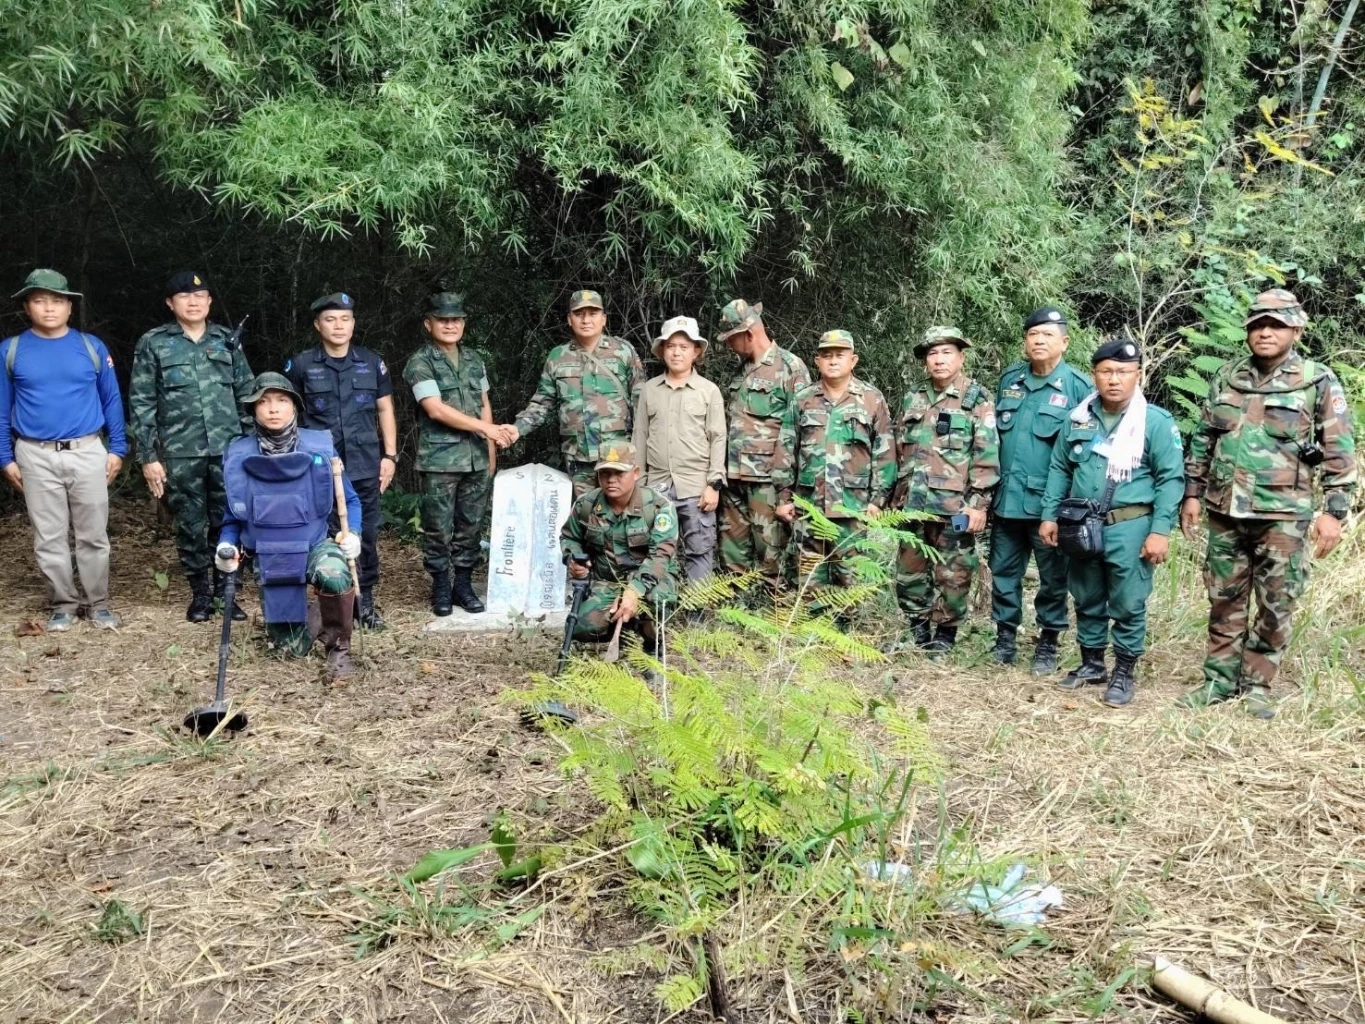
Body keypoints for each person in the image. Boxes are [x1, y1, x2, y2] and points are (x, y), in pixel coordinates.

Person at [1179, 289, 1357, 718]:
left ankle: (1257, 684)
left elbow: (1338, 450)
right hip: (1225, 511)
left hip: (1283, 516)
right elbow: (1203, 439)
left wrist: (1334, 513)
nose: (1265, 332)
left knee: (1277, 602)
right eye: (1257, 324)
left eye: (1276, 324)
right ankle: (1218, 681)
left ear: (1295, 329)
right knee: (1224, 599)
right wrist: (1191, 493)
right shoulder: (1227, 376)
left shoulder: (1316, 380)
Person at [1039, 336, 1185, 707]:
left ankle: (1123, 670)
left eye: (1123, 372)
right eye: (1106, 372)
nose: (1114, 379)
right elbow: (1059, 467)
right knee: (1086, 595)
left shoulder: (1153, 422)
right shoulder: (1078, 417)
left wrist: (1160, 531)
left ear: (1138, 375)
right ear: (1095, 375)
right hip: (1081, 522)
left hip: (1130, 525)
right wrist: (1049, 515)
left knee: (1127, 601)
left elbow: (1171, 479)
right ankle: (1091, 663)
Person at [0, 269, 127, 631]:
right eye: (39, 301)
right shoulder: (11, 351)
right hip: (34, 453)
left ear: (70, 307)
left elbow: (111, 398)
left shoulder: (91, 347)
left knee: (93, 532)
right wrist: (4, 457)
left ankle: (98, 603)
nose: (49, 308)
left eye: (57, 301)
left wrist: (116, 447)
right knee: (49, 534)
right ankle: (63, 603)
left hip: (87, 449)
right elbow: (0, 405)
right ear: (27, 306)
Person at [214, 373, 361, 681]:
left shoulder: (320, 449)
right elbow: (232, 517)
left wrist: (353, 534)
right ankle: (315, 615)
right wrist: (225, 546)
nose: (273, 409)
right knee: (290, 650)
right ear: (253, 410)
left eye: (282, 400)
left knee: (334, 575)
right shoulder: (239, 456)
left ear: (294, 407)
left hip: (314, 545)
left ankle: (339, 650)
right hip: (270, 556)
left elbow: (351, 500)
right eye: (264, 402)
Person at [129, 270, 254, 623]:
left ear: (209, 301)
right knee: (189, 523)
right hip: (180, 452)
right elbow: (141, 402)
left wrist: (250, 445)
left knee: (229, 520)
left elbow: (246, 394)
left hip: (228, 449)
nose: (194, 301)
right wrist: (148, 455)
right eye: (184, 296)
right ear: (171, 303)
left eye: (200, 295)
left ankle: (225, 592)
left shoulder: (227, 341)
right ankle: (200, 593)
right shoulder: (154, 343)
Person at [989, 307, 1093, 671]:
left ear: (1064, 341)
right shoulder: (1010, 381)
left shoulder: (1079, 388)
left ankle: (1048, 641)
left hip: (1049, 507)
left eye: (1047, 335)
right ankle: (1004, 638)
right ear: (1025, 341)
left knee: (1052, 578)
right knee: (1003, 571)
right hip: (1006, 502)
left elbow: (1083, 455)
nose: (1039, 341)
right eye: (1033, 335)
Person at [285, 292, 397, 629]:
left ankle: (366, 602)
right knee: (325, 534)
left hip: (365, 463)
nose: (338, 326)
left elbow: (385, 409)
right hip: (318, 467)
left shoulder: (371, 362)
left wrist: (390, 455)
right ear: (318, 325)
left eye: (345, 319)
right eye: (331, 319)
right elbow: (287, 413)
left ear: (353, 324)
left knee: (366, 535)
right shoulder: (301, 365)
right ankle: (334, 601)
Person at [892, 327, 1000, 653]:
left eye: (946, 352)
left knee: (954, 574)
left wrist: (978, 504)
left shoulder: (976, 399)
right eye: (932, 354)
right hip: (912, 502)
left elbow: (987, 455)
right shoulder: (913, 396)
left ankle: (945, 636)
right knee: (909, 572)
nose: (939, 360)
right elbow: (898, 449)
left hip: (955, 506)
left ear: (961, 357)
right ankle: (918, 632)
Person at [403, 291, 507, 616]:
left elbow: (485, 404)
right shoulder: (420, 363)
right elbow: (435, 409)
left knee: (471, 526)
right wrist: (486, 429)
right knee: (438, 527)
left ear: (463, 323)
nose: (450, 325)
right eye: (443, 319)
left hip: (476, 457)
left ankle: (463, 583)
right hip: (440, 460)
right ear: (428, 323)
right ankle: (440, 586)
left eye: (456, 319)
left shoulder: (475, 359)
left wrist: (490, 451)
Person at [773, 330, 895, 594]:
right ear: (817, 362)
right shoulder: (803, 399)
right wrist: (783, 497)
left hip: (853, 506)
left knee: (850, 578)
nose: (833, 361)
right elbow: (786, 449)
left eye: (840, 355)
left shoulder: (872, 400)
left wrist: (877, 500)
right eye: (826, 356)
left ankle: (848, 628)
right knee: (808, 576)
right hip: (809, 504)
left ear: (853, 360)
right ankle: (810, 632)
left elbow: (884, 452)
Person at [505, 290, 646, 498]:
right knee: (587, 516)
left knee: (621, 519)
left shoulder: (623, 352)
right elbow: (542, 402)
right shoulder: (558, 356)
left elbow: (641, 403)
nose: (586, 320)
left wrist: (643, 452)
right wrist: (517, 429)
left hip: (618, 455)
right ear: (570, 319)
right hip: (578, 457)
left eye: (593, 313)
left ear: (604, 319)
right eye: (579, 314)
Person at [715, 298, 810, 590]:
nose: (729, 346)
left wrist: (788, 492)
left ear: (749, 333)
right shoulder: (740, 371)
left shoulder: (790, 367)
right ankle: (735, 618)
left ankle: (778, 616)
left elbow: (802, 431)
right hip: (734, 478)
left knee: (772, 554)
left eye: (731, 339)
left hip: (766, 480)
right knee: (732, 552)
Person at [632, 315, 726, 581]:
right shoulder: (649, 390)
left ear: (696, 351)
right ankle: (660, 612)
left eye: (684, 347)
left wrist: (714, 484)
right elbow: (639, 436)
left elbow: (718, 437)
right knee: (657, 550)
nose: (676, 352)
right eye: (671, 346)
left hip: (696, 487)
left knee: (700, 550)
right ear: (662, 350)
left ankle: (695, 617)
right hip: (657, 486)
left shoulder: (709, 391)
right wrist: (637, 485)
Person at [561, 442, 680, 646]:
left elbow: (660, 555)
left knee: (656, 601)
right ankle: (623, 629)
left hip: (651, 579)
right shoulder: (586, 505)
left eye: (619, 473)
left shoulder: (658, 507)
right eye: (605, 473)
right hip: (607, 581)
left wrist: (634, 590)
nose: (611, 480)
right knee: (580, 626)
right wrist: (574, 559)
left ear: (635, 473)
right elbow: (569, 537)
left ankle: (651, 645)